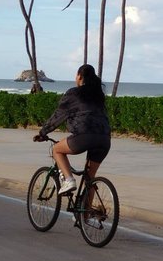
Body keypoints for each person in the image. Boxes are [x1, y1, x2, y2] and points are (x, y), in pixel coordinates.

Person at [33, 64, 111, 195]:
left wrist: (43, 133)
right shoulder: (98, 96)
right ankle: (86, 214)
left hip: (84, 136)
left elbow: (58, 115)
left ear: (79, 76)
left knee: (56, 149)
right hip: (104, 139)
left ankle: (69, 180)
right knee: (89, 179)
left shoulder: (74, 93)